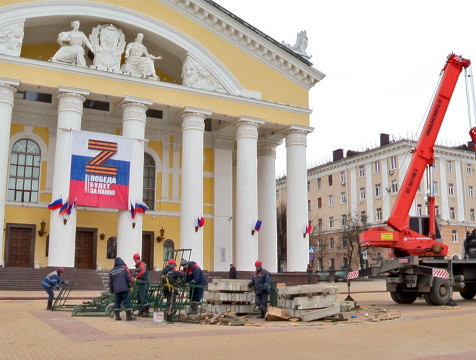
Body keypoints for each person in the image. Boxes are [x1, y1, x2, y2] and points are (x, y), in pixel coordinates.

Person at [109, 257, 135, 321]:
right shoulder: (124, 269)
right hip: (124, 289)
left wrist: (111, 290)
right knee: (127, 302)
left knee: (117, 302)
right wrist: (130, 286)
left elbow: (110, 282)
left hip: (116, 290)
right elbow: (128, 278)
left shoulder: (111, 271)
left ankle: (117, 317)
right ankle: (128, 317)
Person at [133, 253, 150, 317]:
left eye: (134, 260)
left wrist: (137, 277)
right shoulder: (138, 265)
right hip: (140, 283)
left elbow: (143, 272)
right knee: (139, 297)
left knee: (143, 297)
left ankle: (146, 312)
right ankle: (141, 311)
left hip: (144, 283)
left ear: (137, 259)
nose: (134, 261)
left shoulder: (142, 265)